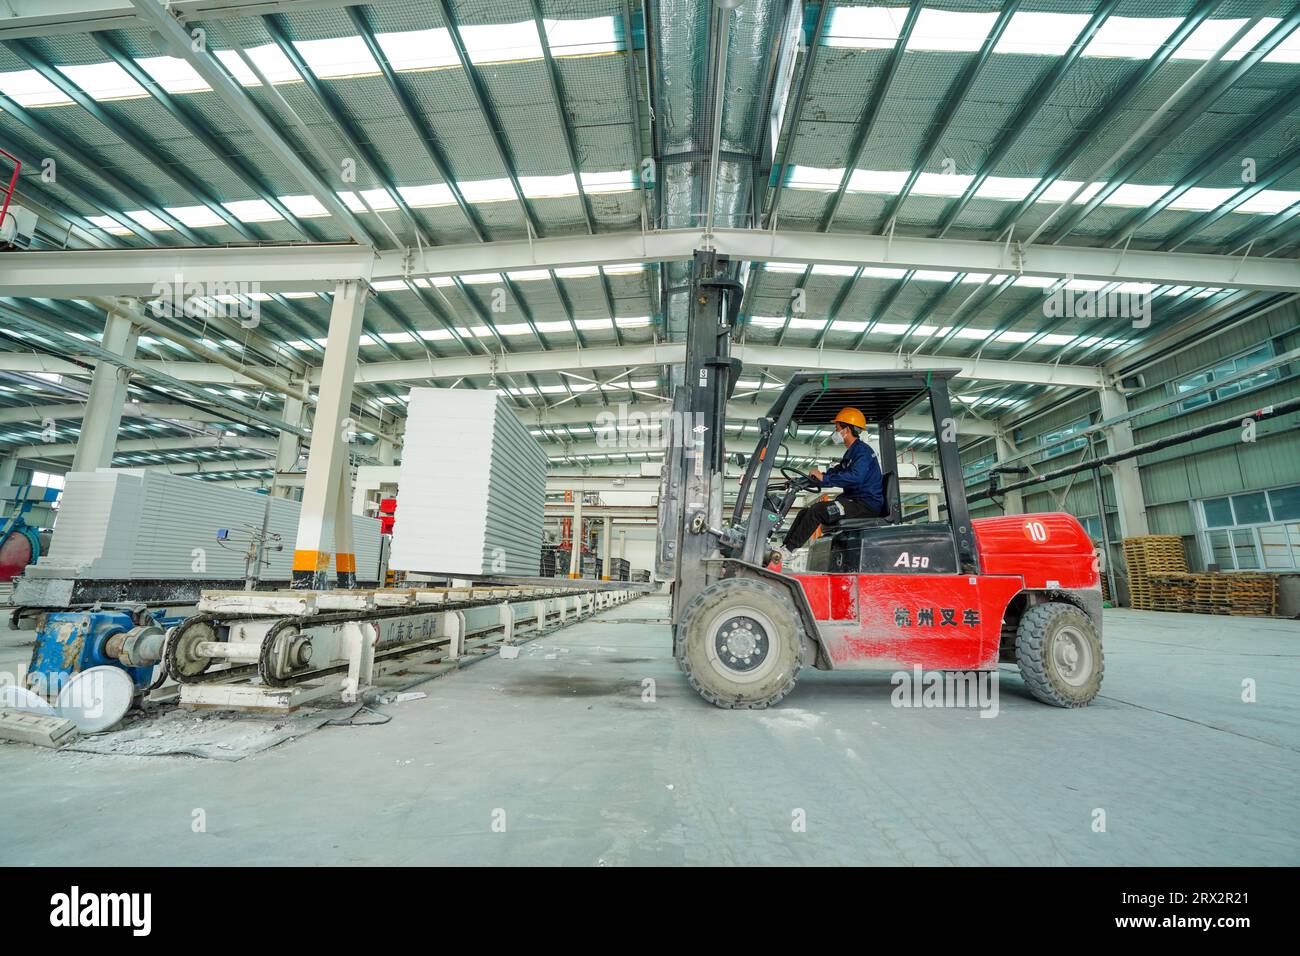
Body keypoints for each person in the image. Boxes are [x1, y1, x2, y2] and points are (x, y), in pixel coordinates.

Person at [773, 407, 885, 563]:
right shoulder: (852, 452)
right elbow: (837, 471)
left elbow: (855, 477)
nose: (835, 432)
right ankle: (784, 548)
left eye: (837, 428)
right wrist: (817, 477)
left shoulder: (863, 452)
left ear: (847, 429)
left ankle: (789, 550)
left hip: (865, 506)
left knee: (817, 510)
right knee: (805, 512)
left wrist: (824, 479)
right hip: (855, 503)